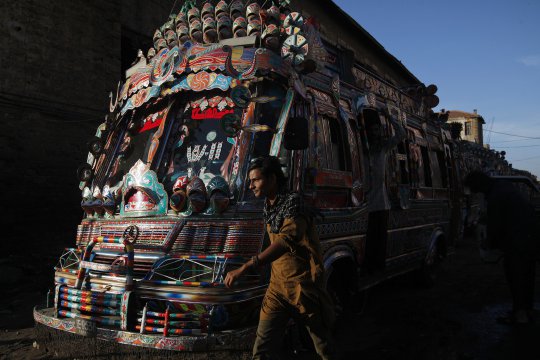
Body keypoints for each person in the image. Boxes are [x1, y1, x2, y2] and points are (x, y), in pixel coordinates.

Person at [224, 156, 336, 360]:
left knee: (322, 347)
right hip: (277, 288)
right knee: (262, 347)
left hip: (303, 286)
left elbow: (286, 241)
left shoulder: (294, 203)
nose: (251, 185)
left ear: (273, 179)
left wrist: (247, 266)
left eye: (255, 180)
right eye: (250, 181)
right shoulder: (270, 205)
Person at [464, 171, 537, 325]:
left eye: (475, 189)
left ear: (479, 184)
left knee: (515, 276)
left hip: (518, 240)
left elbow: (496, 224)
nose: (477, 192)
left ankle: (520, 316)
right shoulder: (504, 187)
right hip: (530, 236)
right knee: (527, 276)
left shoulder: (495, 195)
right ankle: (527, 311)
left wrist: (489, 243)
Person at [364, 114, 406, 272]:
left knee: (380, 240)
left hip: (381, 203)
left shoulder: (383, 147)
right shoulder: (364, 149)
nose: (375, 133)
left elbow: (401, 134)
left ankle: (377, 268)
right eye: (372, 130)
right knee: (368, 240)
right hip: (364, 204)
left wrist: (388, 116)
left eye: (377, 129)